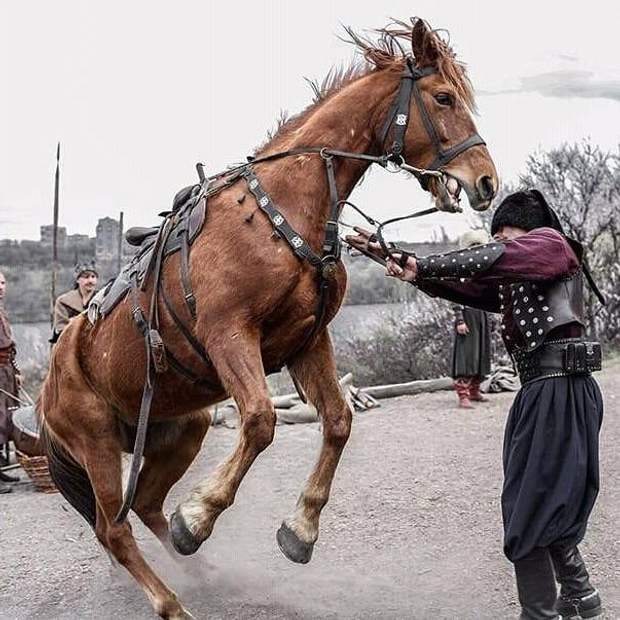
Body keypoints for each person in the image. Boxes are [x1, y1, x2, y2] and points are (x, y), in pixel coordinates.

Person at [347, 190, 604, 620]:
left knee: (528, 511)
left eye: (506, 236)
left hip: (559, 391)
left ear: (532, 230)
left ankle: (540, 614)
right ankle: (581, 596)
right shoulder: (521, 279)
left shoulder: (554, 246)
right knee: (546, 502)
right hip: (544, 392)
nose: (500, 246)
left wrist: (424, 263)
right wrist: (396, 258)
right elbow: (463, 285)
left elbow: (499, 258)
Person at [451, 231, 492, 409]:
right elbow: (454, 295)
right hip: (467, 316)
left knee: (481, 354)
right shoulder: (460, 269)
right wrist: (460, 319)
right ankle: (463, 394)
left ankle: (475, 390)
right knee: (467, 355)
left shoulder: (483, 269)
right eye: (472, 247)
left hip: (482, 315)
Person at [0, 271, 23, 494]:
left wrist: (15, 371)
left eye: (3, 282)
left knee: (5, 418)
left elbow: (9, 345)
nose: (0, 287)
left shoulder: (2, 311)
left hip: (5, 370)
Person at [51, 263, 98, 342]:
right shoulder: (63, 302)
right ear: (77, 280)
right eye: (86, 277)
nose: (90, 280)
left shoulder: (101, 300)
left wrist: (74, 321)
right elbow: (61, 329)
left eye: (93, 277)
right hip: (70, 344)